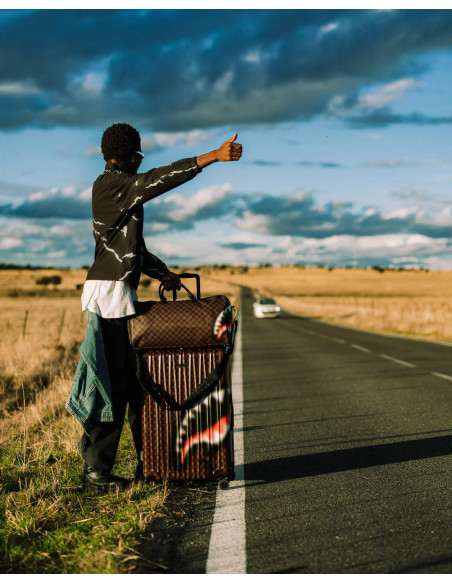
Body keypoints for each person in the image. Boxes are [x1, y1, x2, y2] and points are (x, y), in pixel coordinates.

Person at [67, 123, 242, 491]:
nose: (141, 161)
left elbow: (137, 251)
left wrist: (165, 275)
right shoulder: (114, 185)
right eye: (139, 155)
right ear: (127, 156)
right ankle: (95, 474)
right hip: (108, 301)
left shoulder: (118, 189)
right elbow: (158, 180)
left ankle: (154, 464)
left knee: (135, 386)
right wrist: (211, 156)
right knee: (113, 388)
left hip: (119, 298)